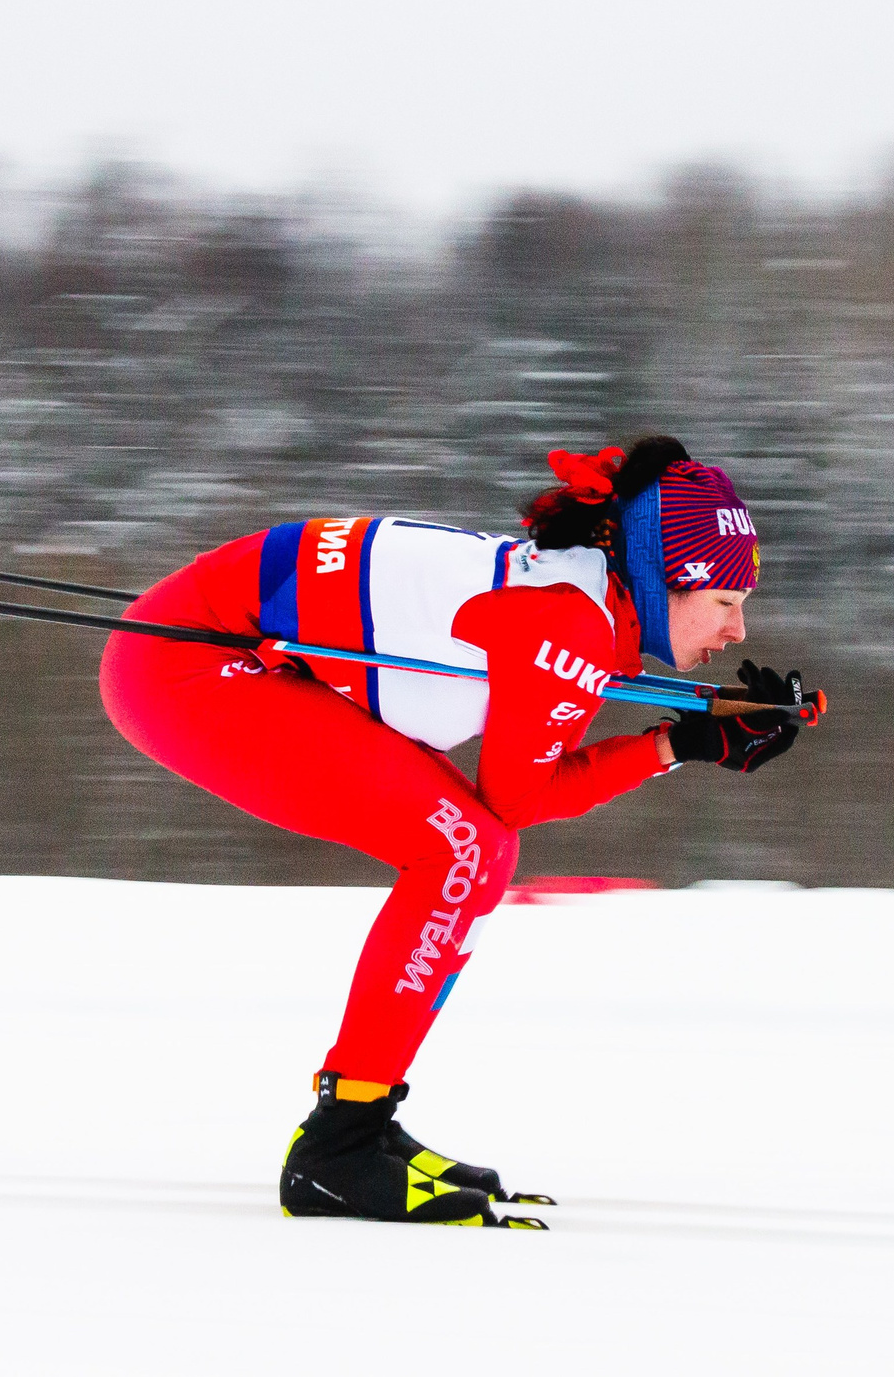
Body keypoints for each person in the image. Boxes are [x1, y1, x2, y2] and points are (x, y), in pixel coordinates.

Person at [96, 435, 810, 1228]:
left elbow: (521, 773)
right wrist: (684, 743)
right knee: (465, 849)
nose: (739, 632)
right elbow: (520, 798)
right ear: (666, 582)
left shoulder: (580, 601)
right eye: (726, 603)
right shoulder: (569, 624)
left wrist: (693, 736)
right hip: (189, 670)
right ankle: (339, 1149)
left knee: (475, 852)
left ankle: (360, 1120)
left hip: (197, 644)